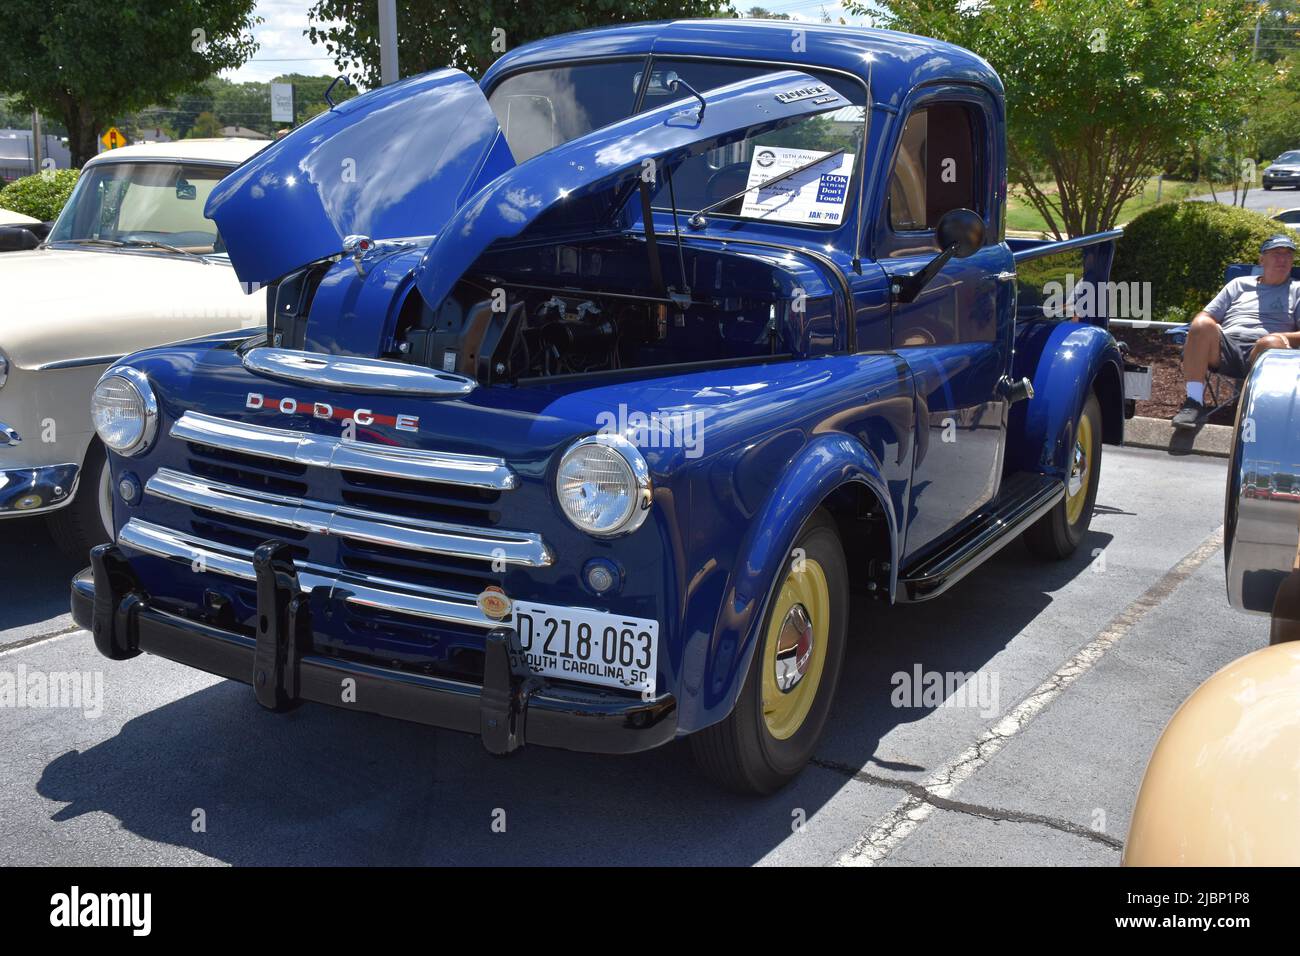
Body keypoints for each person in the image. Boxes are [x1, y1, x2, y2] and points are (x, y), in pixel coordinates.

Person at [1173, 234, 1300, 429]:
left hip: (1267, 351)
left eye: (1288, 255)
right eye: (1276, 253)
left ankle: (1267, 413)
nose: (1282, 259)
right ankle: (1194, 403)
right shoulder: (1239, 284)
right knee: (1200, 325)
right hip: (1226, 346)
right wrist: (1205, 327)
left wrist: (1278, 337)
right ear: (1262, 259)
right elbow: (1206, 315)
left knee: (1269, 343)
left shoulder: (1297, 290)